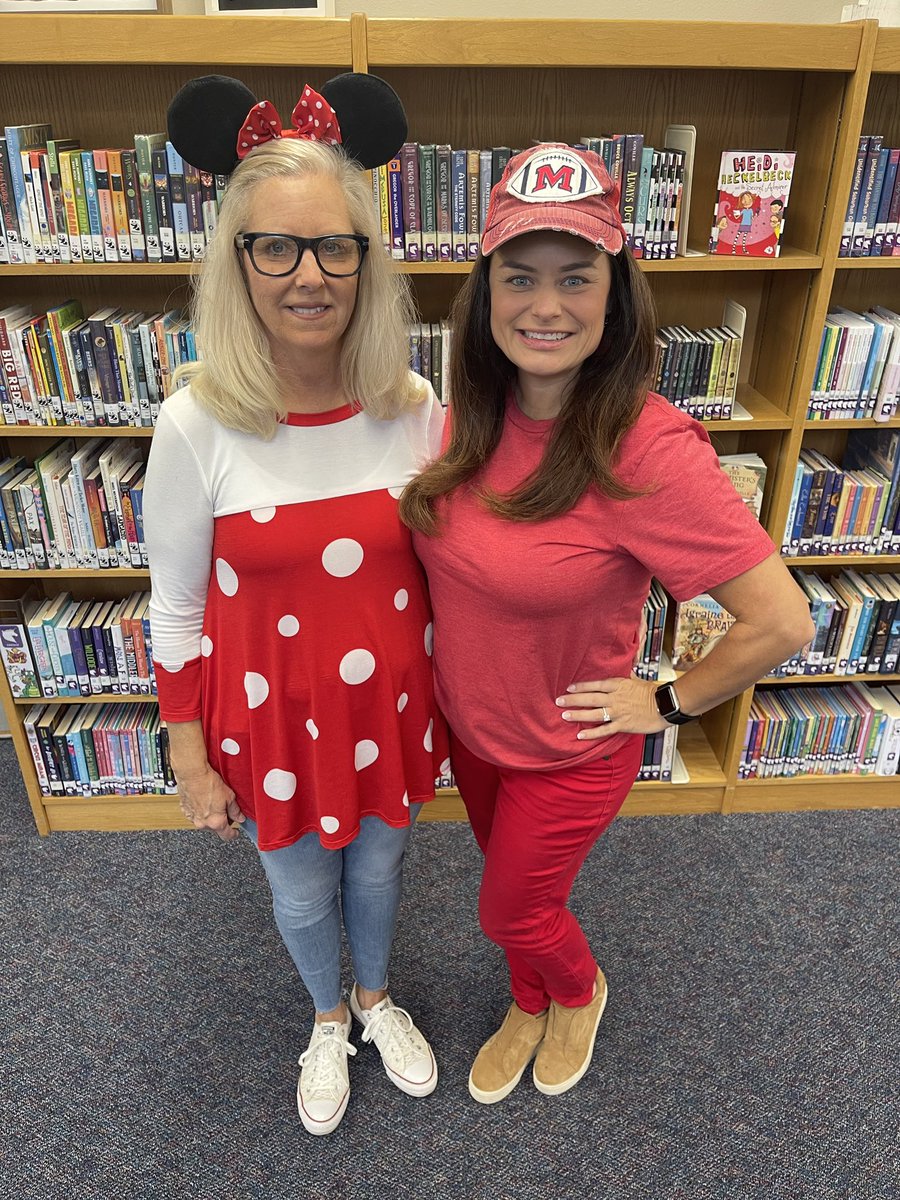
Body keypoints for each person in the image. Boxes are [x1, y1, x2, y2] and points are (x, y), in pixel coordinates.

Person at [400, 143, 814, 1105]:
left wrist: (667, 701)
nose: (546, 305)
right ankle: (527, 1001)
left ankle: (577, 993)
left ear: (614, 296)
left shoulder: (648, 447)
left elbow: (782, 620)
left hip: (573, 748)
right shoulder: (471, 412)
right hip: (479, 733)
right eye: (521, 277)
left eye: (576, 278)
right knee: (519, 907)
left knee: (512, 904)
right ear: (486, 293)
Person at [143, 76, 446, 1136]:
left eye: (334, 247)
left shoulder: (412, 411)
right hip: (269, 722)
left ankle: (377, 998)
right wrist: (188, 753)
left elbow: (456, 570)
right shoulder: (195, 424)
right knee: (304, 891)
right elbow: (174, 610)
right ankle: (327, 1015)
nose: (308, 275)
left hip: (390, 715)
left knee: (381, 868)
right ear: (237, 264)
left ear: (368, 259)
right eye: (275, 248)